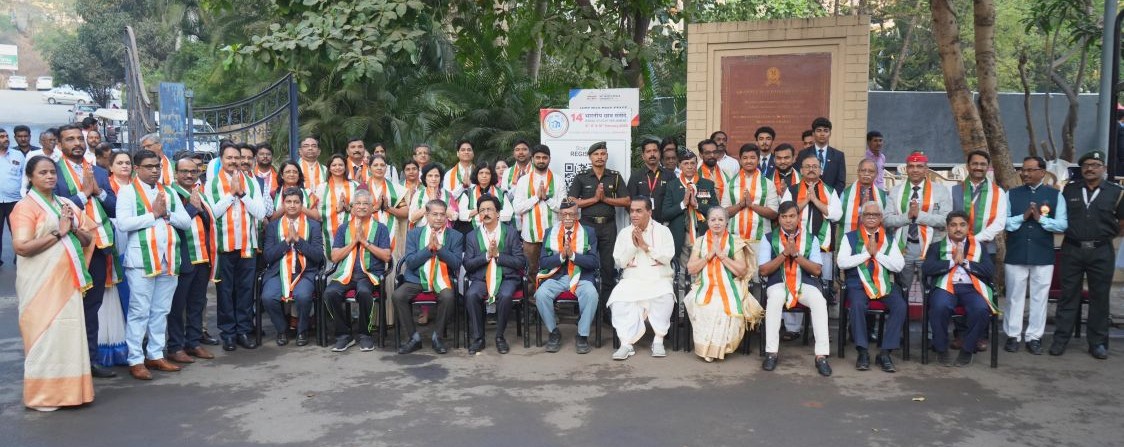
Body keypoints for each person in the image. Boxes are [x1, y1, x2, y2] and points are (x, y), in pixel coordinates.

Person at [12, 155, 96, 411]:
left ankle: (73, 393)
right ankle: (43, 396)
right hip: (39, 285)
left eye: (52, 172)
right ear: (30, 177)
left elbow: (87, 237)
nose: (49, 176)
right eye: (43, 173)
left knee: (68, 336)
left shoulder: (66, 203)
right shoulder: (24, 208)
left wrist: (72, 228)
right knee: (44, 338)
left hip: (67, 283)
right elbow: (22, 247)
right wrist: (58, 231)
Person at [115, 149, 192, 380]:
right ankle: (136, 359)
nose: (154, 170)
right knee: (139, 311)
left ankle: (156, 354)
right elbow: (123, 224)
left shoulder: (168, 191)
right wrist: (154, 215)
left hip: (168, 259)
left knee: (161, 310)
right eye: (149, 166)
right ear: (137, 169)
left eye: (157, 166)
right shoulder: (127, 192)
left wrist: (166, 213)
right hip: (141, 262)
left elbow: (186, 222)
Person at [54, 124, 118, 379]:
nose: (76, 143)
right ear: (60, 145)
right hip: (70, 250)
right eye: (70, 139)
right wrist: (83, 194)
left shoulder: (99, 173)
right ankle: (69, 363)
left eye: (79, 138)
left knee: (92, 306)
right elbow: (58, 210)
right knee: (70, 308)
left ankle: (91, 361)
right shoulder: (53, 173)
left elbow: (114, 207)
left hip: (99, 247)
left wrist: (99, 192)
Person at [1052, 150, 1124, 359]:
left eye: (1095, 164)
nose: (1090, 169)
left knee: (1100, 297)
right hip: (1072, 249)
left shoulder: (1116, 192)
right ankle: (1060, 340)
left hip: (1101, 250)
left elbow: (1121, 222)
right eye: (1086, 165)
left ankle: (1098, 343)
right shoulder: (1069, 190)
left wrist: (1103, 236)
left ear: (1104, 168)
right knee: (1068, 296)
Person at [205, 142, 268, 352]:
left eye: (236, 158)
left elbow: (259, 213)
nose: (233, 161)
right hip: (223, 248)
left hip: (247, 247)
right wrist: (231, 194)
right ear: (221, 160)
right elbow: (213, 213)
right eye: (229, 158)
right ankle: (228, 334)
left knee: (245, 291)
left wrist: (242, 194)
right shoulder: (212, 184)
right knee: (224, 292)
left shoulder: (251, 183)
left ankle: (243, 330)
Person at [760, 201, 832, 376]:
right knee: (775, 298)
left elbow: (816, 270)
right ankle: (771, 352)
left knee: (819, 300)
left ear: (799, 217)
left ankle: (821, 355)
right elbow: (763, 270)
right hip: (778, 282)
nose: (788, 220)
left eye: (792, 216)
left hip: (804, 283)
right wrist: (784, 254)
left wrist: (796, 255)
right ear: (779, 219)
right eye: (783, 217)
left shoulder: (811, 239)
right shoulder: (769, 238)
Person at [1003, 156, 1067, 355]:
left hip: (1042, 253)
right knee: (1014, 296)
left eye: (1031, 170)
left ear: (1042, 172)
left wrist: (1040, 220)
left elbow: (1062, 224)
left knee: (1040, 296)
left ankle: (1034, 337)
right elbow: (1004, 223)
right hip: (1016, 251)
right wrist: (1022, 217)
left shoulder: (1055, 195)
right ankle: (1013, 335)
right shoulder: (1011, 194)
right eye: (1023, 170)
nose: (1026, 174)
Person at [837, 201, 907, 372]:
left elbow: (898, 266)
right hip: (857, 283)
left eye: (875, 215)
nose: (871, 218)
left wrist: (877, 254)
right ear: (862, 217)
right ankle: (862, 351)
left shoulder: (888, 239)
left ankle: (885, 352)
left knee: (900, 305)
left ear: (881, 218)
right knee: (857, 304)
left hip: (883, 283)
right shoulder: (850, 237)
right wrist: (867, 254)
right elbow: (842, 262)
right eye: (867, 215)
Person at [685, 207, 761, 362]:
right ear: (708, 222)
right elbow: (691, 269)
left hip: (730, 285)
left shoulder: (735, 242)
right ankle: (706, 348)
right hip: (704, 285)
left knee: (721, 305)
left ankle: (716, 349)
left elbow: (741, 270)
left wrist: (721, 256)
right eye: (713, 219)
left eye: (721, 219)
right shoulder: (700, 242)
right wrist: (709, 255)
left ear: (727, 222)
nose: (717, 223)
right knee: (702, 304)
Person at [779, 154, 843, 339]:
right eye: (807, 167)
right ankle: (792, 328)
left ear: (821, 169)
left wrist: (815, 200)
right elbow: (784, 212)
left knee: (822, 286)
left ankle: (818, 330)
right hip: (796, 244)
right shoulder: (792, 190)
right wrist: (806, 200)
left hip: (822, 247)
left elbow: (836, 214)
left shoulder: (830, 191)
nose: (811, 169)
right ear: (801, 170)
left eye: (815, 166)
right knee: (793, 280)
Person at [922, 210, 997, 367]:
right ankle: (941, 349)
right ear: (947, 228)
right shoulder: (936, 247)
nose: (958, 228)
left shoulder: (979, 248)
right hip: (945, 286)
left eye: (962, 225)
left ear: (968, 227)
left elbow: (989, 270)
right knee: (939, 307)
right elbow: (927, 268)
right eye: (953, 225)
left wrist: (965, 262)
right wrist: (952, 262)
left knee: (981, 309)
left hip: (971, 288)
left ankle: (967, 349)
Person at [607, 198, 676, 360]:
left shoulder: (663, 231)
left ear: (649, 212)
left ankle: (658, 340)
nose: (634, 215)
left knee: (666, 296)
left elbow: (667, 258)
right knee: (618, 300)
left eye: (639, 211)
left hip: (658, 278)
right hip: (632, 279)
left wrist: (646, 247)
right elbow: (620, 262)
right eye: (631, 211)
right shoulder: (625, 233)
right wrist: (633, 245)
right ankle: (626, 343)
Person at [394, 199, 463, 354]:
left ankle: (437, 337)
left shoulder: (455, 236)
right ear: (426, 215)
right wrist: (428, 249)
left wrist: (439, 248)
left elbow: (456, 264)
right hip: (417, 278)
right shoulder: (414, 234)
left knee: (448, 297)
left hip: (441, 278)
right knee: (398, 296)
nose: (439, 218)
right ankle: (413, 338)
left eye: (442, 215)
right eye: (434, 214)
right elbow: (410, 263)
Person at [323, 190, 389, 352]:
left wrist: (364, 242)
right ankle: (344, 335)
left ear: (372, 206)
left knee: (365, 293)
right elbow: (335, 256)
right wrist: (354, 242)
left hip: (369, 273)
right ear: (352, 207)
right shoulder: (344, 228)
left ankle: (365, 334)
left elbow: (386, 256)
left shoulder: (380, 228)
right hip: (346, 273)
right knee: (329, 293)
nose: (361, 207)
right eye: (357, 203)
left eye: (365, 203)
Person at [166, 154, 216, 362]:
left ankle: (193, 342)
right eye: (184, 171)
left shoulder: (199, 193)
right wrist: (192, 208)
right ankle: (175, 347)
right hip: (182, 257)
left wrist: (198, 207)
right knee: (178, 305)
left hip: (202, 256)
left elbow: (208, 220)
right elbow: (176, 222)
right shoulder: (169, 194)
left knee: (197, 303)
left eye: (193, 171)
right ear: (176, 173)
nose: (189, 175)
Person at [463, 194, 526, 354]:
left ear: (498, 213)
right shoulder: (472, 236)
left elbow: (520, 262)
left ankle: (500, 337)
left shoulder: (510, 233)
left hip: (506, 277)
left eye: (490, 209)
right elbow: (468, 264)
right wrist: (486, 256)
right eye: (482, 210)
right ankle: (479, 338)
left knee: (505, 295)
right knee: (471, 295)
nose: (486, 213)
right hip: (482, 278)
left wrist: (498, 255)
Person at [261, 187, 324, 347]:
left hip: (305, 273)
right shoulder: (273, 226)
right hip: (277, 273)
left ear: (302, 204)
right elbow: (267, 256)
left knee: (303, 297)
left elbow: (318, 256)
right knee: (268, 298)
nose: (292, 205)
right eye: (288, 202)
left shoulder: (314, 226)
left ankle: (302, 330)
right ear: (283, 203)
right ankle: (282, 329)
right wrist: (287, 242)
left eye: (296, 202)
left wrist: (299, 241)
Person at [535, 200, 599, 354]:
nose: (568, 217)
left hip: (581, 276)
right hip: (557, 277)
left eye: (572, 214)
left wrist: (573, 255)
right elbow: (543, 262)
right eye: (564, 214)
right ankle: (554, 332)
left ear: (577, 216)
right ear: (559, 216)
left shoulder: (588, 232)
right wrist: (562, 256)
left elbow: (594, 262)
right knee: (541, 294)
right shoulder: (551, 232)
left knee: (591, 294)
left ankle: (582, 335)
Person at [884, 151, 951, 296]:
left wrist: (920, 216)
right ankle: (902, 318)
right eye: (911, 166)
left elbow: (946, 221)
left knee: (929, 290)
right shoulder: (895, 191)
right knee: (902, 290)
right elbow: (887, 220)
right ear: (906, 169)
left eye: (919, 166)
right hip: (903, 247)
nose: (915, 170)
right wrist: (907, 216)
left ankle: (929, 319)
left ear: (926, 169)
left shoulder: (940, 190)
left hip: (931, 247)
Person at [568, 141, 628, 297]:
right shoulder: (581, 177)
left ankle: (606, 307)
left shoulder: (614, 176)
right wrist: (595, 199)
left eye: (602, 154)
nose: (599, 157)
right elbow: (571, 202)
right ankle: (585, 304)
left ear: (606, 156)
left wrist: (605, 199)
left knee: (608, 267)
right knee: (585, 263)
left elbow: (627, 201)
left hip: (608, 226)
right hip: (587, 226)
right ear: (590, 157)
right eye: (596, 154)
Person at [513, 144, 563, 286]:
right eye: (538, 157)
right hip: (530, 236)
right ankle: (532, 304)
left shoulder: (558, 180)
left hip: (553, 234)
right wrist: (536, 198)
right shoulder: (523, 181)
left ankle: (552, 303)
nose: (541, 160)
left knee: (553, 270)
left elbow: (562, 208)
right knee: (531, 272)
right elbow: (517, 208)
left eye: (544, 158)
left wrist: (547, 198)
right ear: (532, 159)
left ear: (549, 159)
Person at [662, 149, 719, 263]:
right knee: (681, 272)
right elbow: (665, 214)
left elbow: (716, 211)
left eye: (692, 163)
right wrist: (683, 204)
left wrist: (697, 205)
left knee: (699, 268)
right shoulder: (672, 185)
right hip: (681, 233)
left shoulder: (707, 184)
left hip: (701, 233)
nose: (689, 166)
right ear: (680, 166)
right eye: (685, 163)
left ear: (697, 165)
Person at [722, 143, 779, 243]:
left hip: (761, 239)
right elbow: (723, 213)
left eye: (752, 158)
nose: (748, 161)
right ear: (740, 160)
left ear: (758, 160)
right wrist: (740, 205)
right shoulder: (730, 184)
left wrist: (751, 205)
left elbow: (774, 213)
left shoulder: (768, 184)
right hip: (734, 239)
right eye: (745, 158)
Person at [315, 154, 358, 258]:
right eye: (334, 165)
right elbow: (318, 213)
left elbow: (362, 209)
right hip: (328, 231)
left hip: (352, 229)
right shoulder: (321, 187)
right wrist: (336, 210)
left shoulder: (355, 185)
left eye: (340, 165)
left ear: (345, 167)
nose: (337, 167)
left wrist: (348, 207)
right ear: (329, 168)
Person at [627, 139, 674, 223]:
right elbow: (629, 202)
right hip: (641, 223)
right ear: (643, 156)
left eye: (655, 151)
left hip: (664, 224)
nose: (652, 154)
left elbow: (674, 201)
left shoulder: (670, 175)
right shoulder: (636, 176)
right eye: (648, 151)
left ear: (660, 154)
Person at [797, 117, 846, 193]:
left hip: (830, 199)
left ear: (830, 133)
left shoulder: (838, 155)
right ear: (813, 134)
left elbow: (841, 182)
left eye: (826, 131)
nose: (822, 134)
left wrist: (831, 196)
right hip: (806, 196)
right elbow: (799, 177)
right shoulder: (803, 154)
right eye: (819, 131)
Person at [840, 159, 887, 236]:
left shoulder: (882, 195)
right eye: (863, 170)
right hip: (851, 237)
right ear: (858, 172)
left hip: (875, 237)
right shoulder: (845, 194)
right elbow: (838, 217)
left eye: (871, 171)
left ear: (876, 174)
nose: (866, 174)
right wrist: (862, 209)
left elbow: (885, 218)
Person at [459, 162, 513, 227]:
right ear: (476, 175)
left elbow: (509, 213)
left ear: (492, 175)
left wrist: (476, 213)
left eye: (487, 173)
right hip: (474, 230)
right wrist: (481, 209)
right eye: (481, 173)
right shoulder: (468, 193)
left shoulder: (501, 192)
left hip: (497, 230)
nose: (484, 176)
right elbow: (461, 215)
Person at [0, 127, 23, 266]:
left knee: (18, 231)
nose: (6, 139)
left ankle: (20, 257)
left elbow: (25, 177)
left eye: (6, 136)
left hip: (15, 201)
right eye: (2, 137)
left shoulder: (18, 155)